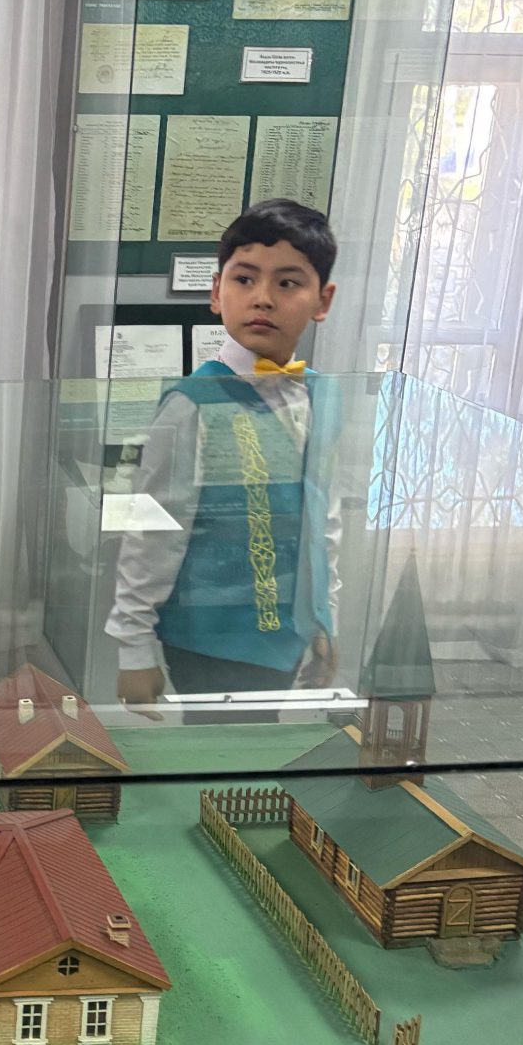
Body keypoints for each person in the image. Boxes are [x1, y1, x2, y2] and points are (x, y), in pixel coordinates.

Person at [107, 199, 341, 708]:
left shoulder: (321, 395)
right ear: (217, 292)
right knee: (221, 750)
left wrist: (324, 619)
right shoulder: (192, 404)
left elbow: (324, 521)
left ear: (322, 300)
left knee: (261, 749)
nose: (263, 298)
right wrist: (134, 649)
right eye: (244, 279)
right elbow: (152, 531)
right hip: (209, 640)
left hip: (290, 635)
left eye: (288, 283)